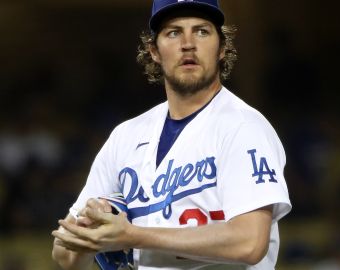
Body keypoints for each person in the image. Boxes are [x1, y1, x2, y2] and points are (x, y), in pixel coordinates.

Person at [51, 0, 292, 269]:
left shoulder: (243, 127)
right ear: (154, 50)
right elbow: (64, 254)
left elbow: (250, 242)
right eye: (173, 32)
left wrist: (132, 235)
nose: (188, 43)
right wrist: (91, 232)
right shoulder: (126, 136)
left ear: (222, 48)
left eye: (201, 31)